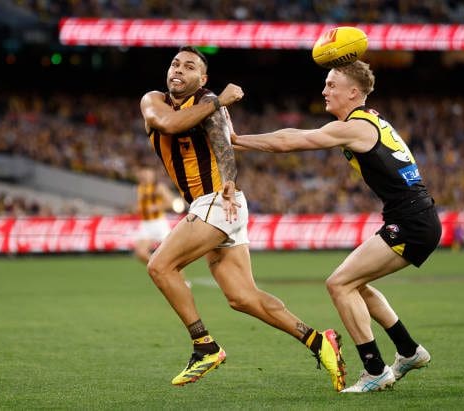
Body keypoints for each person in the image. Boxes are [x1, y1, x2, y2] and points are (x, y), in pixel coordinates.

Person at [139, 46, 345, 391]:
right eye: (175, 63)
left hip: (218, 202)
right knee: (242, 297)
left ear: (202, 79)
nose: (178, 70)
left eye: (189, 67)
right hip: (207, 207)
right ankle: (318, 341)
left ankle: (204, 346)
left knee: (160, 266)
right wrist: (220, 100)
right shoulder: (155, 100)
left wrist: (230, 181)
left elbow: (224, 148)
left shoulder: (207, 104)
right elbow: (167, 124)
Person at [232, 60, 441, 393]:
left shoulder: (356, 126)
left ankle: (375, 369)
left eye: (331, 85)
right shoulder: (369, 121)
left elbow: (290, 141)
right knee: (354, 283)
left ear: (353, 92)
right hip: (415, 218)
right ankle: (409, 351)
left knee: (339, 284)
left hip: (411, 221)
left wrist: (237, 139)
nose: (324, 91)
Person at [132, 166, 177, 264]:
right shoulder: (140, 188)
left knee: (170, 256)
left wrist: (156, 207)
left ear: (153, 175)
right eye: (143, 174)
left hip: (159, 223)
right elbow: (138, 205)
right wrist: (137, 208)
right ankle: (159, 267)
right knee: (141, 253)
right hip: (145, 224)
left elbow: (172, 202)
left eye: (148, 174)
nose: (145, 176)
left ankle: (180, 278)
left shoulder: (159, 187)